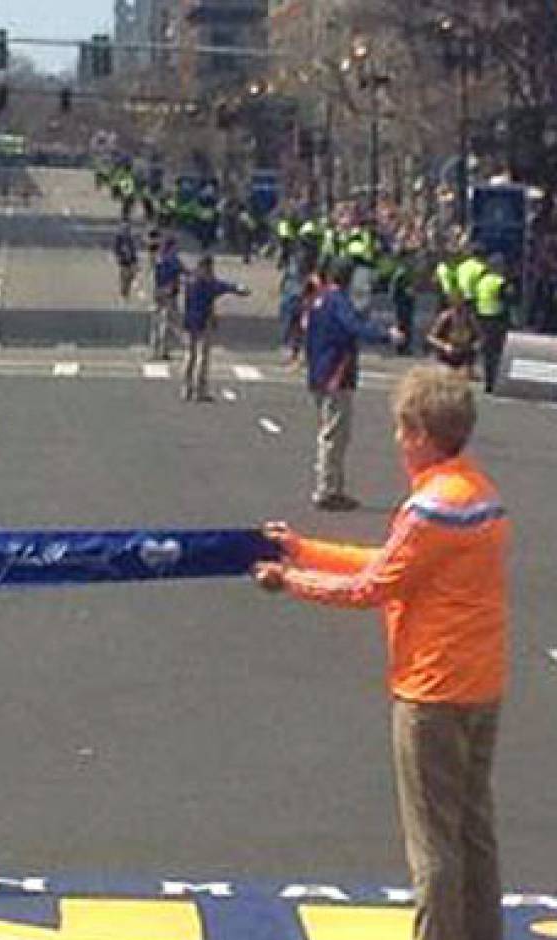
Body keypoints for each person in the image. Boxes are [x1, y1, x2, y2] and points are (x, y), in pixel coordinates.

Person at [255, 365, 507, 940]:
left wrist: (289, 579)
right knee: (473, 827)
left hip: (431, 690)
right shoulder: (480, 495)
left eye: (401, 430)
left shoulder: (429, 510)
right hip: (480, 683)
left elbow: (373, 586)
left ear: (420, 433)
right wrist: (303, 548)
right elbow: (390, 562)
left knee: (432, 845)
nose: (397, 441)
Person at [305, 258, 403, 511]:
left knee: (331, 431)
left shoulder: (319, 299)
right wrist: (386, 335)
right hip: (336, 372)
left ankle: (333, 486)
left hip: (319, 369)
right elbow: (354, 327)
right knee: (335, 434)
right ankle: (326, 489)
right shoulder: (338, 301)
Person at [179, 256, 248, 402]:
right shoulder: (208, 283)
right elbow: (226, 287)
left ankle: (186, 388)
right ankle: (199, 389)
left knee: (189, 356)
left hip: (189, 321)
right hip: (203, 321)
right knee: (201, 357)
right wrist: (240, 289)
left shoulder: (191, 282)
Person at [473, 256, 510, 395]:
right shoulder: (500, 282)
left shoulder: (481, 281)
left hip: (482, 319)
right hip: (496, 319)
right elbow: (506, 300)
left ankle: (488, 382)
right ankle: (495, 380)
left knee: (487, 353)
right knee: (497, 352)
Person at [150, 236, 183, 361]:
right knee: (167, 322)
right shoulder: (173, 260)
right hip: (169, 294)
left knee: (157, 321)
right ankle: (164, 350)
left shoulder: (159, 259)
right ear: (171, 247)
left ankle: (154, 349)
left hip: (158, 292)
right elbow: (181, 272)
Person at [113, 222, 139, 302]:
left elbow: (134, 250)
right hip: (123, 261)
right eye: (125, 229)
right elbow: (116, 249)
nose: (127, 231)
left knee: (130, 277)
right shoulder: (119, 238)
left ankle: (125, 294)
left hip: (131, 260)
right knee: (124, 278)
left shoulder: (130, 238)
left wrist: (135, 260)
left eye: (128, 229)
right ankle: (123, 295)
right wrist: (120, 255)